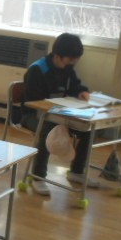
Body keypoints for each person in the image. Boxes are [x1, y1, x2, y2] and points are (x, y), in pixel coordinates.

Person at [21, 33, 99, 196]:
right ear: (57, 55)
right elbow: (33, 102)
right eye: (70, 60)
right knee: (48, 129)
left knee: (88, 128)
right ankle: (38, 176)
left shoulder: (68, 69)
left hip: (60, 115)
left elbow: (75, 86)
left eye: (74, 60)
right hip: (33, 116)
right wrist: (57, 109)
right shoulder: (37, 70)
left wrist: (82, 92)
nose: (72, 63)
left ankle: (77, 171)